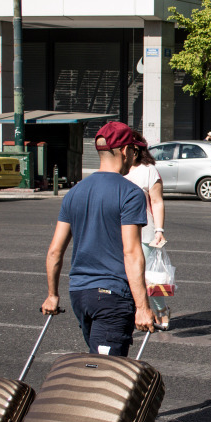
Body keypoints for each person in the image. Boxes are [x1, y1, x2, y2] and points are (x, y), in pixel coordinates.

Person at [41, 122, 155, 357]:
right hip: (111, 297)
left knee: (97, 363)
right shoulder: (130, 193)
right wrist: (142, 308)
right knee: (105, 372)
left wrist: (52, 295)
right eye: (134, 150)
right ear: (125, 151)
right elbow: (132, 252)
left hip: (80, 294)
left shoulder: (75, 192)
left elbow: (55, 251)